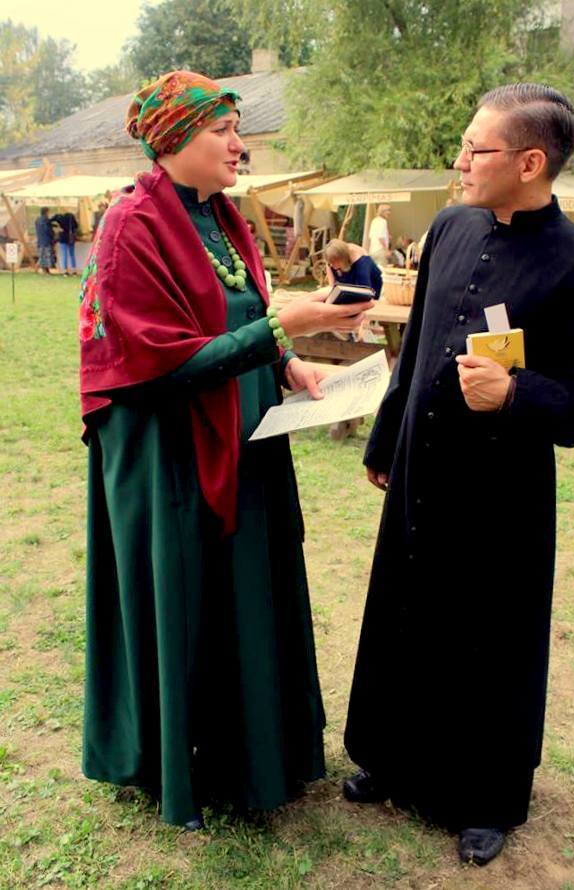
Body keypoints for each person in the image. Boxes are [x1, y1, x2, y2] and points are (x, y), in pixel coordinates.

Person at [343, 83, 574, 866]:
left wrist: (515, 393)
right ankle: (389, 757)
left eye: (478, 149)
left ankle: (486, 797)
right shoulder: (450, 226)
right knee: (404, 611)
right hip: (420, 467)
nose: (462, 161)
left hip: (502, 494)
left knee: (489, 641)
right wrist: (386, 439)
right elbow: (418, 345)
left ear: (530, 162)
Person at [79, 70, 373, 830]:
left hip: (243, 433)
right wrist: (281, 329)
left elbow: (240, 316)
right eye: (223, 131)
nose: (240, 145)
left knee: (244, 586)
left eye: (238, 129)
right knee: (190, 594)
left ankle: (255, 754)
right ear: (175, 139)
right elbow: (155, 362)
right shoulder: (131, 227)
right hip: (169, 450)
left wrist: (289, 361)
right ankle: (188, 764)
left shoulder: (225, 219)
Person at [51, 210, 78, 274]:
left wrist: (57, 226)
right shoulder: (72, 219)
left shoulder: (60, 218)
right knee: (72, 254)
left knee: (64, 254)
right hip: (70, 239)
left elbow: (50, 221)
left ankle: (65, 270)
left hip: (63, 238)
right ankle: (74, 269)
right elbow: (76, 226)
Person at [35, 207, 55, 274]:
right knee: (46, 256)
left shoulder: (37, 220)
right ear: (46, 212)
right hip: (46, 240)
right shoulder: (46, 220)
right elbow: (48, 230)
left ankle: (44, 269)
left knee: (42, 255)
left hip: (40, 240)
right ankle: (44, 270)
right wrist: (53, 234)